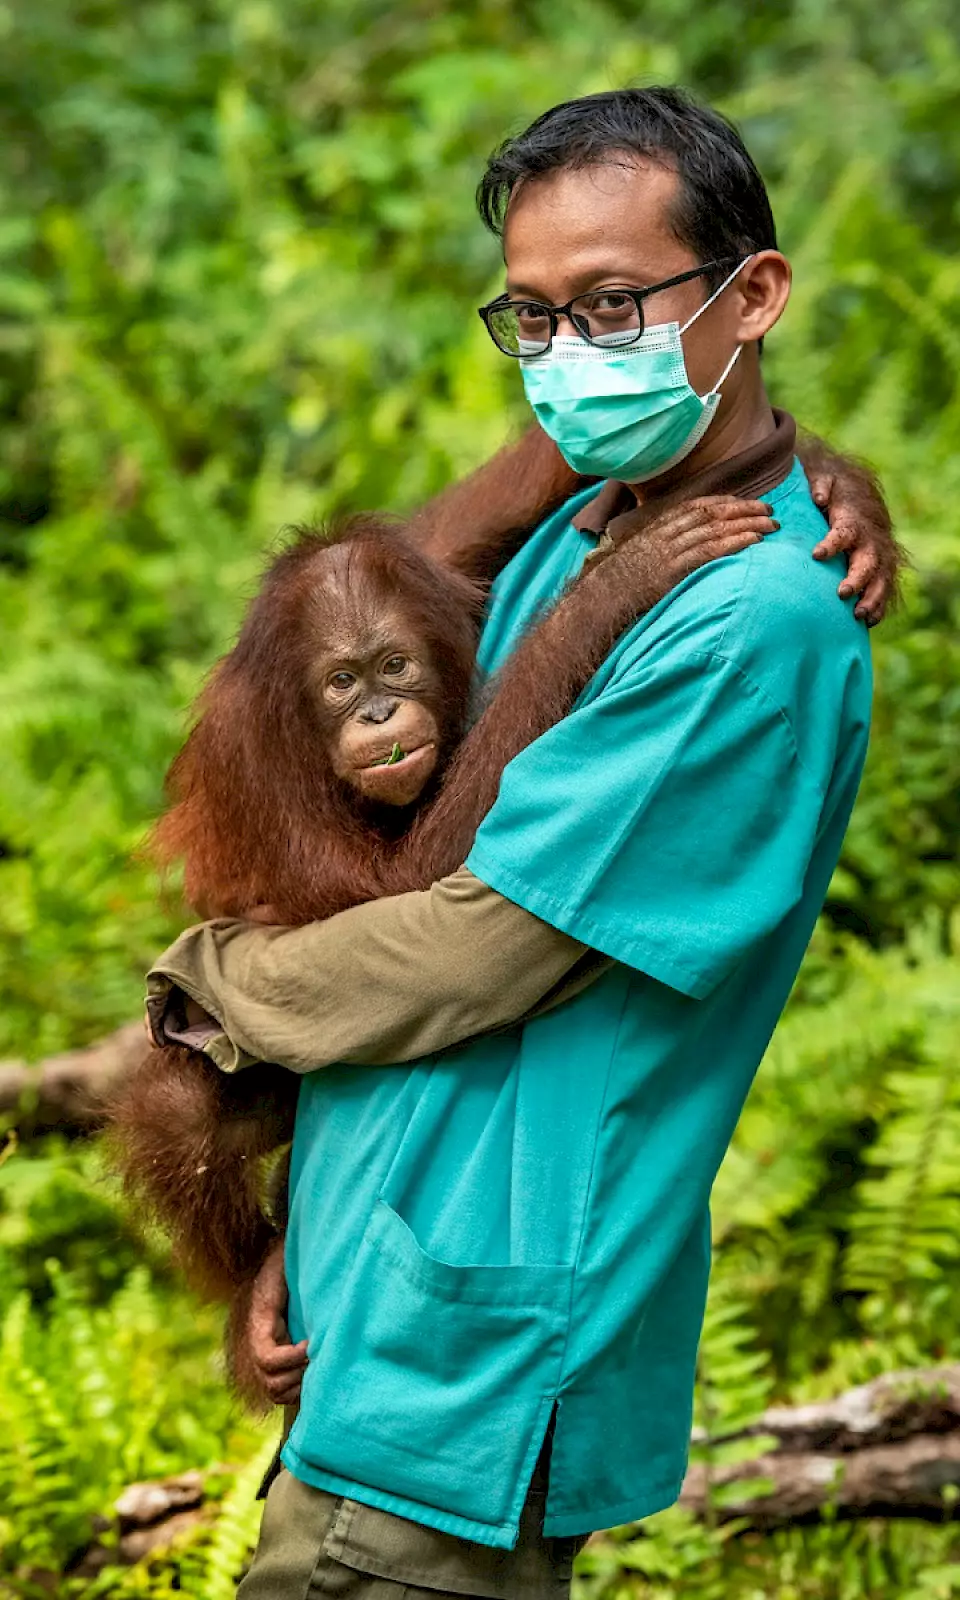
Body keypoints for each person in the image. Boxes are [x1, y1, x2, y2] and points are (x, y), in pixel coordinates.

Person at [146, 87, 900, 1599]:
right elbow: (365, 633)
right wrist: (303, 1229)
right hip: (388, 1321)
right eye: (534, 319)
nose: (570, 359)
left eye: (614, 306)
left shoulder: (747, 619)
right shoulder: (597, 521)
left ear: (753, 294)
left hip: (466, 1378)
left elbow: (478, 942)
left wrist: (211, 988)